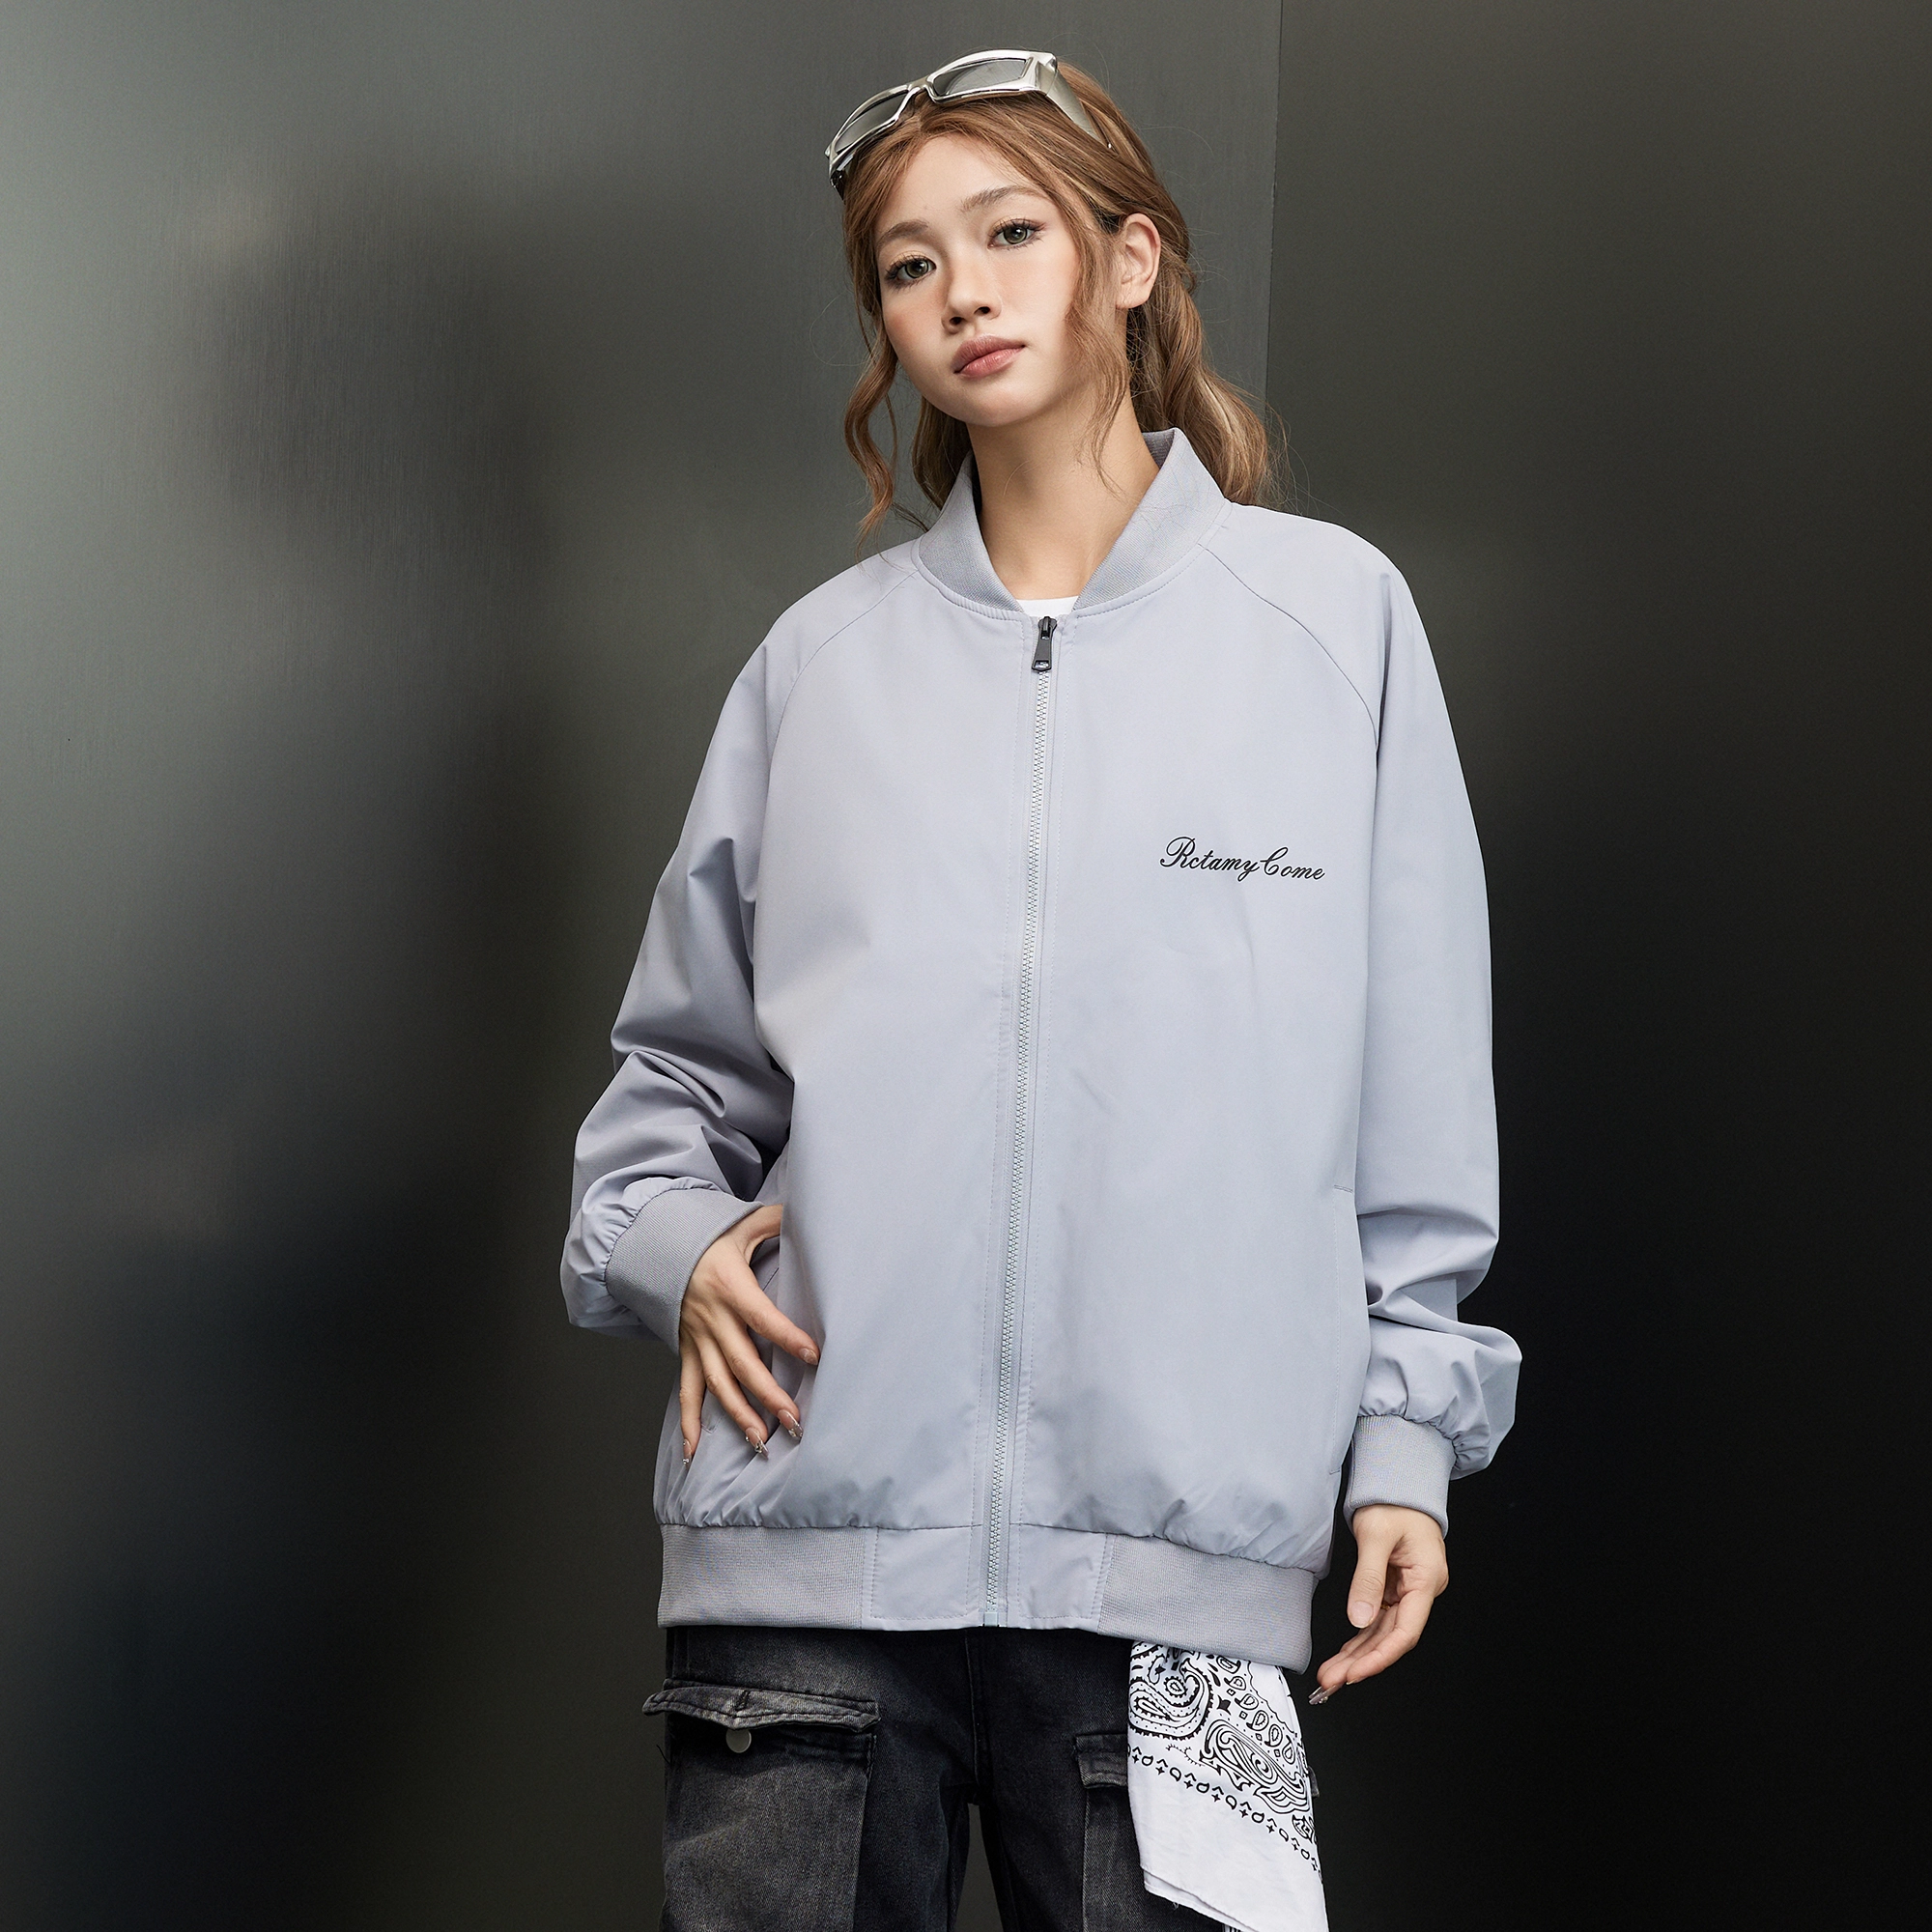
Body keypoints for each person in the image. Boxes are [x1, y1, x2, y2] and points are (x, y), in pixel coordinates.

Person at [561, 49, 1520, 1932]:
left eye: (1010, 233)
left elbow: (1417, 1093)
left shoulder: (1333, 629)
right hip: (805, 1582)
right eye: (910, 265)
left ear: (1131, 260)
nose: (963, 294)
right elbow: (661, 1092)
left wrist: (1405, 1443)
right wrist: (676, 1249)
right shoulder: (817, 668)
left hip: (1187, 1601)